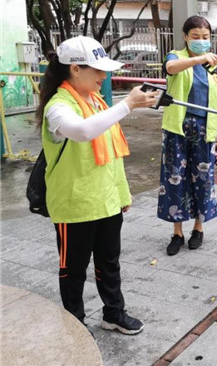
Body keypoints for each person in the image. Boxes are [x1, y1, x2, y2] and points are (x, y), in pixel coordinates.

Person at [37, 35, 159, 334]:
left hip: (106, 201)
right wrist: (128, 105)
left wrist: (121, 193)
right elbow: (81, 131)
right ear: (75, 69)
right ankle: (75, 324)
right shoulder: (58, 106)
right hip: (75, 205)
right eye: (97, 70)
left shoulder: (96, 101)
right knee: (73, 269)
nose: (103, 76)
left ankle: (113, 313)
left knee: (109, 263)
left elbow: (112, 156)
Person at [158, 16, 217, 255]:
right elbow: (170, 69)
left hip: (205, 129)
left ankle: (198, 228)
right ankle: (177, 232)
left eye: (205, 37)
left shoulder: (216, 65)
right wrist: (198, 59)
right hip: (177, 129)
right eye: (195, 36)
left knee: (203, 179)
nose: (201, 41)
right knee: (175, 177)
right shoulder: (176, 56)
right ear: (185, 36)